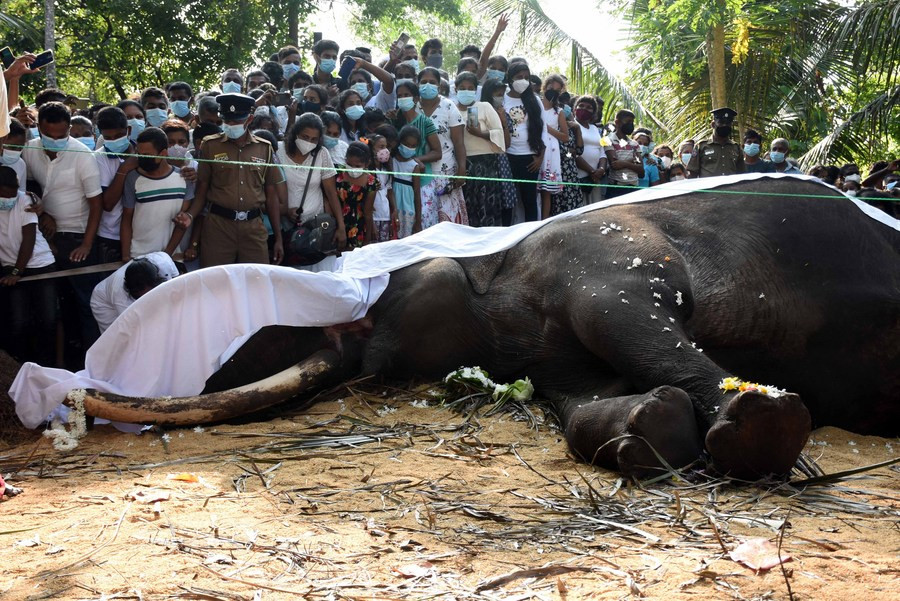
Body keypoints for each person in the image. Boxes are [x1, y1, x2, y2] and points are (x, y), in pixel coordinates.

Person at [174, 93, 283, 267]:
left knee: (256, 281)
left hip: (253, 228)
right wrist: (190, 215)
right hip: (218, 228)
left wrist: (278, 237)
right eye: (227, 121)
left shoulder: (264, 148)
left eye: (236, 121)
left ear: (249, 119)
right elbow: (202, 190)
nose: (231, 125)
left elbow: (271, 196)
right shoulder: (210, 145)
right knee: (216, 282)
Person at [0, 165, 57, 366]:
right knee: (18, 322)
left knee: (48, 320)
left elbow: (29, 238)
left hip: (39, 265)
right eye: (6, 196)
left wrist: (18, 271)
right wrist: (13, 271)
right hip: (10, 268)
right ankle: (19, 367)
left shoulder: (25, 200)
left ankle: (48, 366)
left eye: (14, 194)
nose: (11, 200)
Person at [281, 113, 347, 268]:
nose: (308, 142)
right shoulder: (278, 151)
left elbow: (331, 193)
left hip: (316, 228)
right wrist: (284, 211)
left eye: (314, 139)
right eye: (304, 137)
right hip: (285, 229)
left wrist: (341, 227)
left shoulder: (321, 153)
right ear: (295, 133)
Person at [120, 127, 194, 261]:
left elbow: (181, 223)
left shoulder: (184, 178)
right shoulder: (133, 178)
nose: (142, 159)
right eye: (139, 154)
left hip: (171, 256)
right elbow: (126, 218)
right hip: (137, 255)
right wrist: (126, 255)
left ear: (163, 153)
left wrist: (166, 255)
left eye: (147, 155)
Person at [416, 67, 467, 225]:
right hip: (420, 171)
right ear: (417, 84)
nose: (428, 85)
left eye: (432, 82)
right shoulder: (412, 106)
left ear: (439, 85)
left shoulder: (448, 106)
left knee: (448, 218)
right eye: (424, 82)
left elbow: (459, 142)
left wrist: (461, 170)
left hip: (446, 171)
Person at [456, 72, 505, 227]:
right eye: (462, 87)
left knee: (487, 207)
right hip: (463, 164)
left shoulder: (484, 107)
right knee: (467, 208)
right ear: (456, 89)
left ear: (475, 90)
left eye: (470, 88)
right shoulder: (451, 109)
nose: (466, 90)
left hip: (486, 165)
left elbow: (499, 133)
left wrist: (480, 133)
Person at [89, 252, 178, 333]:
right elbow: (134, 326)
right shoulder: (120, 295)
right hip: (104, 304)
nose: (146, 298)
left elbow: (177, 285)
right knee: (121, 339)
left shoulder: (163, 260)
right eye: (142, 297)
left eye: (148, 294)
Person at [394, 80, 442, 228]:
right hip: (400, 183)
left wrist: (415, 160)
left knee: (423, 224)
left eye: (406, 95)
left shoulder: (425, 122)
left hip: (422, 183)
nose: (403, 98)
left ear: (415, 98)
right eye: (399, 95)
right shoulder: (394, 121)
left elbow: (437, 152)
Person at [502, 61, 545, 224]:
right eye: (519, 77)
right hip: (508, 157)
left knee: (530, 201)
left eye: (526, 77)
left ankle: (530, 236)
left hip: (530, 158)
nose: (523, 80)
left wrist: (540, 156)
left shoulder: (534, 100)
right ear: (510, 78)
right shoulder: (502, 99)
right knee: (508, 202)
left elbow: (543, 130)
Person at [94, 106, 135, 264]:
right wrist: (124, 169)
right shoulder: (99, 158)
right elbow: (108, 203)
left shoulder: (142, 151)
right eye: (108, 138)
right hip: (110, 235)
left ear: (128, 130)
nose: (113, 141)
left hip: (140, 235)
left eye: (118, 135)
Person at [539, 75, 578, 217]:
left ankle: (543, 221)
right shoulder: (535, 105)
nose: (553, 91)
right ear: (545, 87)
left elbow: (565, 137)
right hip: (536, 147)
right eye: (551, 88)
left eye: (557, 90)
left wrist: (548, 129)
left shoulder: (559, 112)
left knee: (546, 190)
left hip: (551, 151)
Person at [335, 141, 379, 248]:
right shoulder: (336, 172)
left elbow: (368, 212)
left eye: (358, 166)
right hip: (336, 221)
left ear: (367, 164)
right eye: (349, 164)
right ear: (345, 160)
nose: (353, 168)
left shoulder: (371, 182)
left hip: (357, 226)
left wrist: (367, 238)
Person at [688, 107, 744, 177]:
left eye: (728, 123)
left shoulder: (736, 147)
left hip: (730, 188)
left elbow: (741, 174)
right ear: (713, 124)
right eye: (721, 122)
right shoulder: (701, 146)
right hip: (709, 187)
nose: (725, 125)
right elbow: (693, 174)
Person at [572, 96, 607, 204]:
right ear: (575, 109)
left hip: (595, 179)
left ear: (593, 112)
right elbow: (573, 152)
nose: (584, 109)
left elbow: (602, 152)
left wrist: (601, 169)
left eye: (589, 107)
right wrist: (591, 171)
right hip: (579, 177)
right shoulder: (571, 126)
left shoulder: (595, 129)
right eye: (581, 106)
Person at [602, 109, 643, 198]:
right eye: (628, 121)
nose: (631, 124)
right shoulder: (607, 140)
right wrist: (633, 160)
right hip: (616, 188)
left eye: (632, 122)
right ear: (617, 122)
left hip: (634, 187)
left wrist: (623, 163)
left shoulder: (634, 144)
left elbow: (641, 170)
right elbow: (615, 165)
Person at [366, 134, 397, 242]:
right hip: (373, 217)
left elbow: (389, 191)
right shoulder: (368, 171)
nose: (385, 150)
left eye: (386, 147)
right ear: (372, 148)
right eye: (381, 147)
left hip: (385, 215)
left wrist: (394, 209)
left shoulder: (386, 170)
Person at [2, 118, 29, 195]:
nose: (16, 152)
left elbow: (21, 194)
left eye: (20, 148)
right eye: (12, 147)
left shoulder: (20, 164)